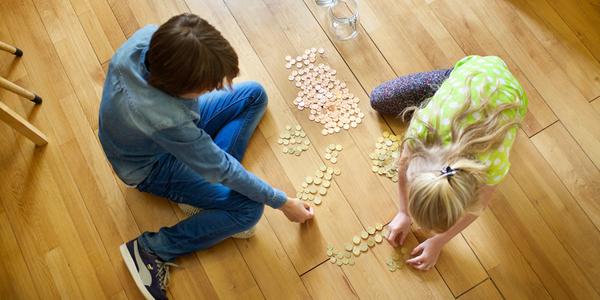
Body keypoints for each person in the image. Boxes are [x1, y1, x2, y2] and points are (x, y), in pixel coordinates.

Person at [98, 13, 314, 299]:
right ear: (180, 88)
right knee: (249, 210)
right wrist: (283, 203)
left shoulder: (150, 39)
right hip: (149, 167)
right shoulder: (167, 118)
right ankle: (151, 249)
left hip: (155, 133)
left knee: (254, 95)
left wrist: (216, 168)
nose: (215, 88)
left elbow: (219, 164)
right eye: (207, 86)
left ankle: (206, 183)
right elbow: (223, 168)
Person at [370, 55, 527, 271]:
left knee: (384, 99)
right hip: (466, 75)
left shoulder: (493, 163)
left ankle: (458, 87)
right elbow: (403, 166)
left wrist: (440, 240)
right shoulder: (422, 128)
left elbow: (478, 207)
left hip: (506, 96)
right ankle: (451, 85)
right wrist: (404, 212)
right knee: (379, 98)